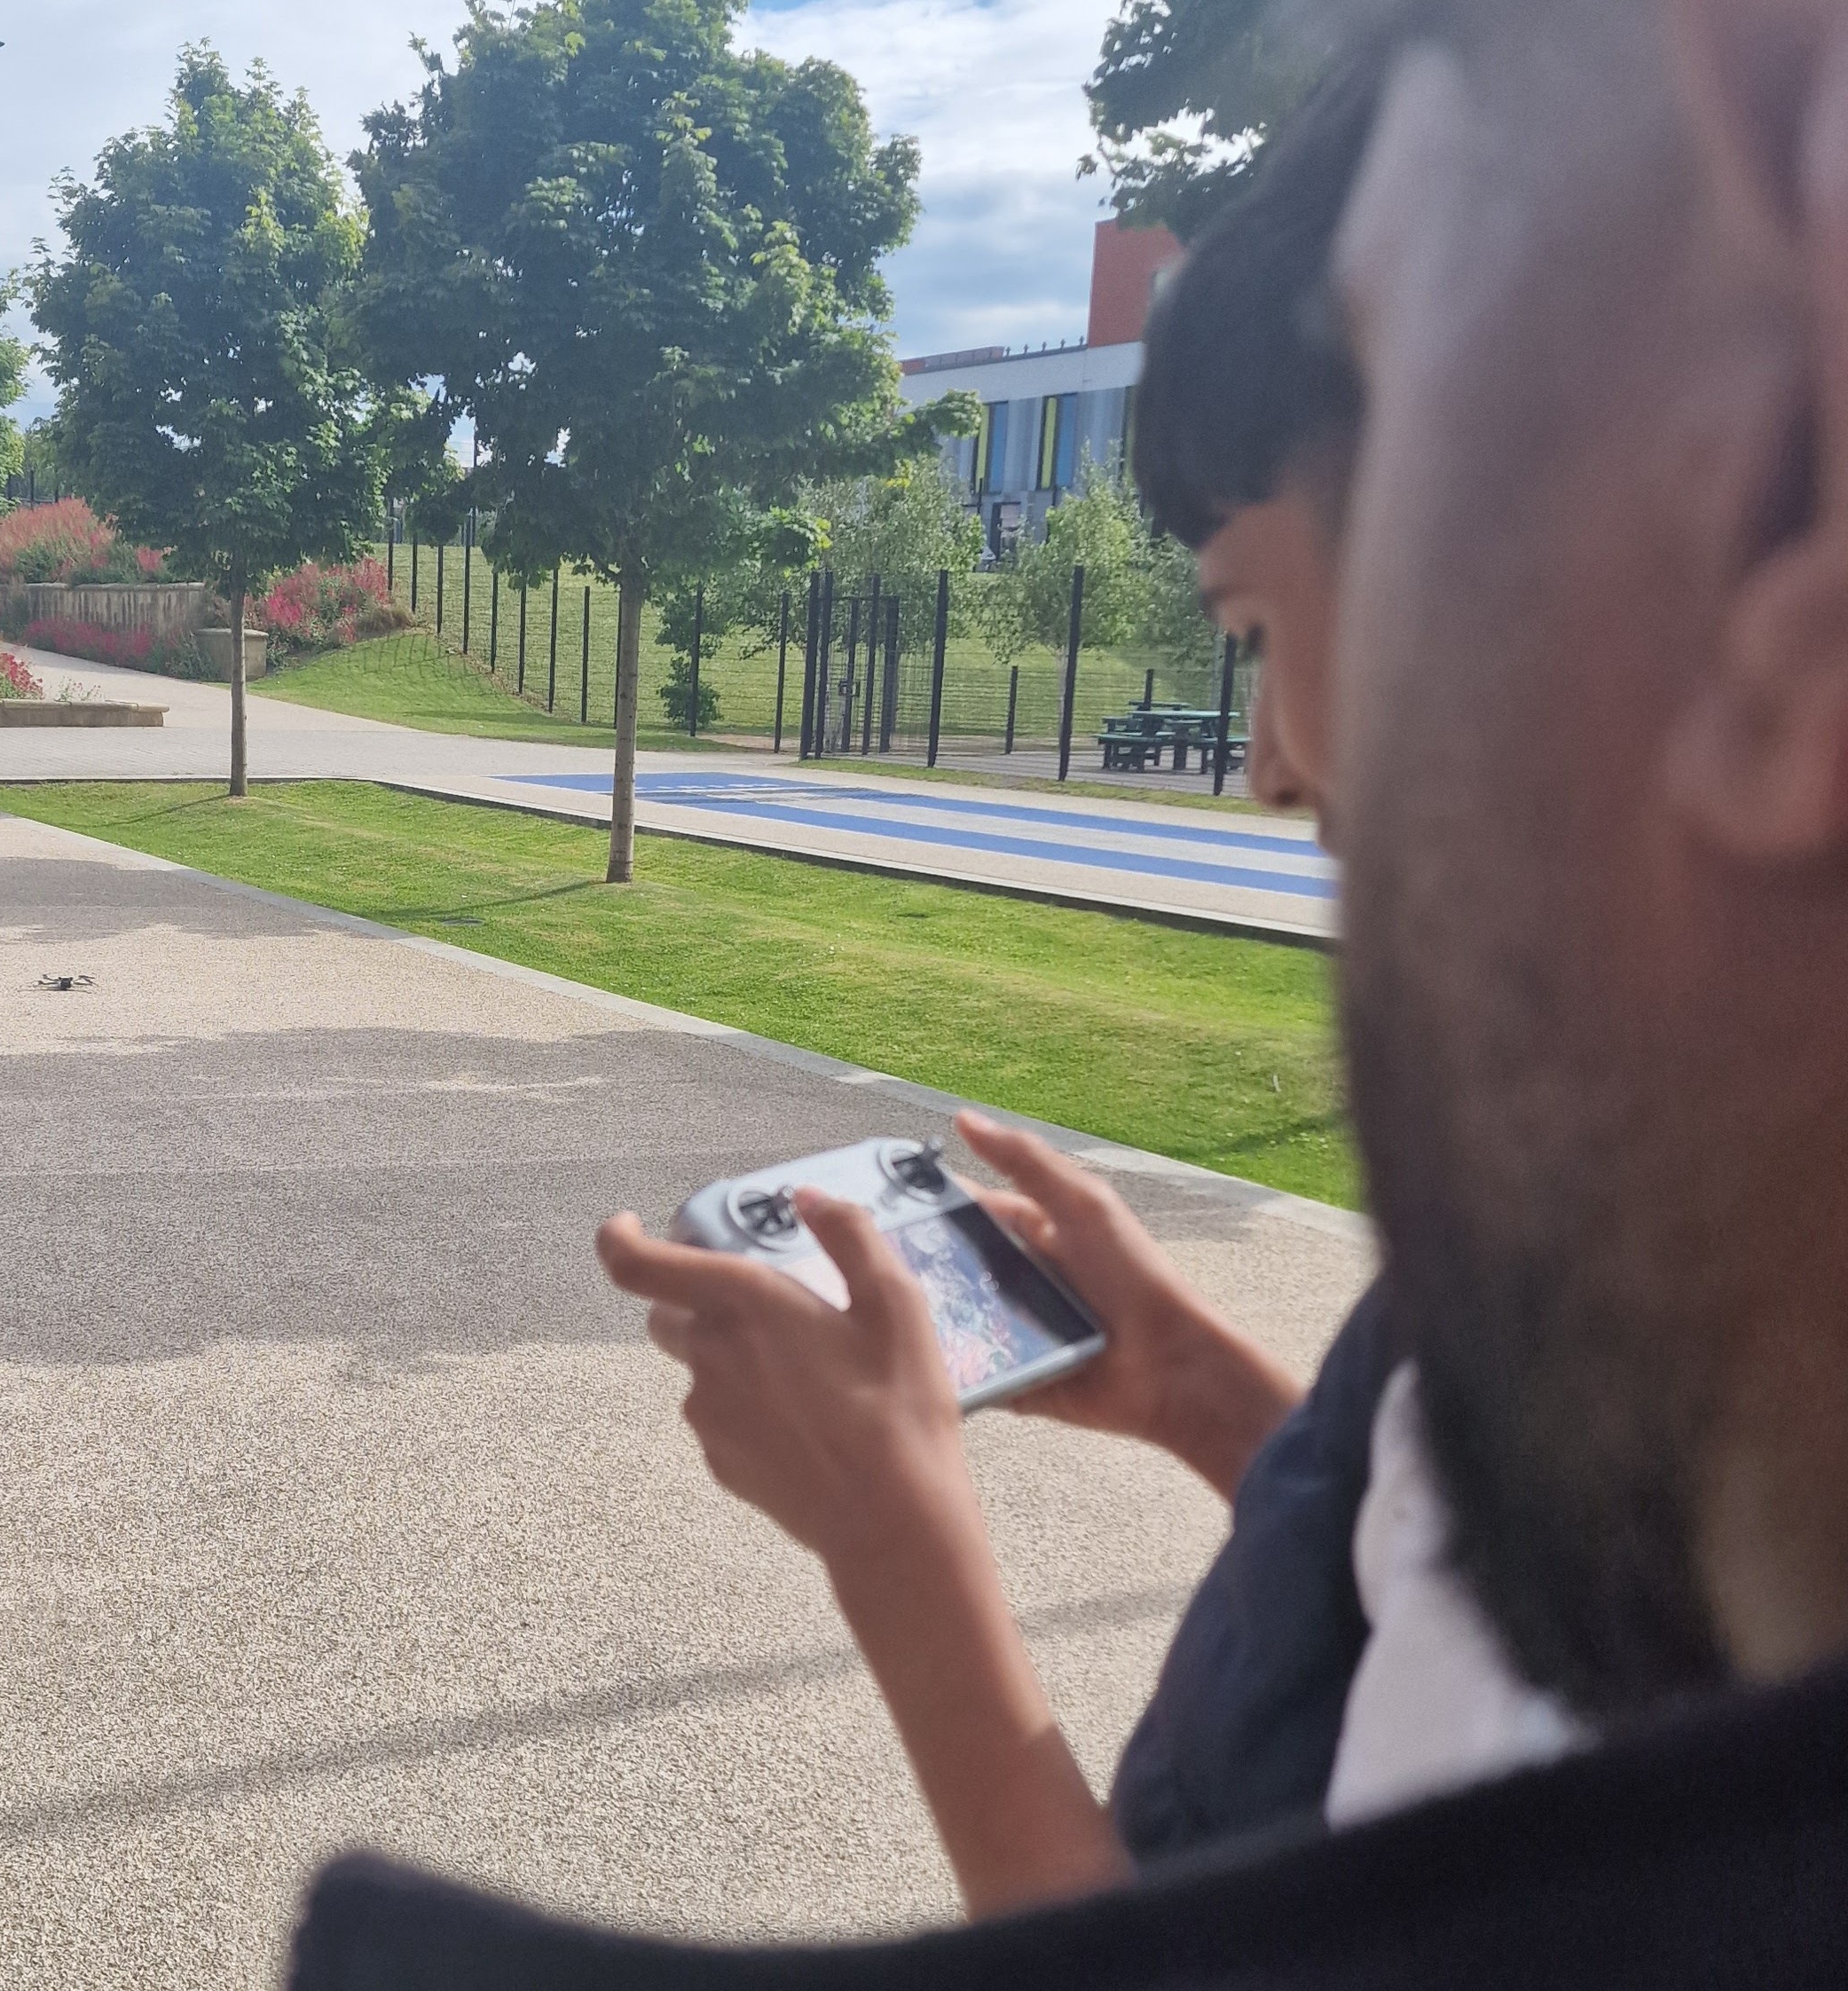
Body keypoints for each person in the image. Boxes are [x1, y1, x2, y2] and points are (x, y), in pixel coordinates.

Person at [287, 0, 1848, 1977]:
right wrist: (1203, 1392)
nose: (1275, 760)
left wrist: (901, 1555)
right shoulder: (1657, 1313)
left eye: (1393, 394)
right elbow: (1472, 1609)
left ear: (1783, 487)